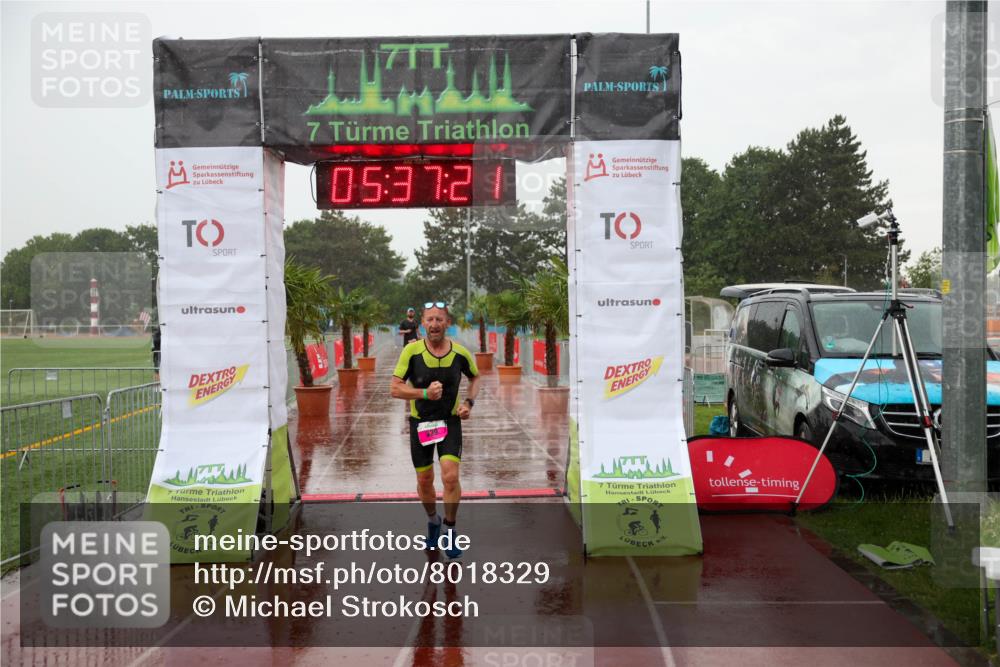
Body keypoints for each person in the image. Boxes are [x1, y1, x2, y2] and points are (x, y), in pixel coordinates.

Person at [390, 302, 480, 559]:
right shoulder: (411, 352)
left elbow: (476, 377)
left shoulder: (461, 353)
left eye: (439, 319)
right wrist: (424, 393)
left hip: (450, 421)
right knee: (424, 481)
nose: (434, 324)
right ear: (422, 323)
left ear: (447, 323)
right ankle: (433, 520)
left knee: (450, 477)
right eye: (430, 319)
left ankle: (450, 530)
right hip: (421, 424)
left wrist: (468, 403)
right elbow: (395, 388)